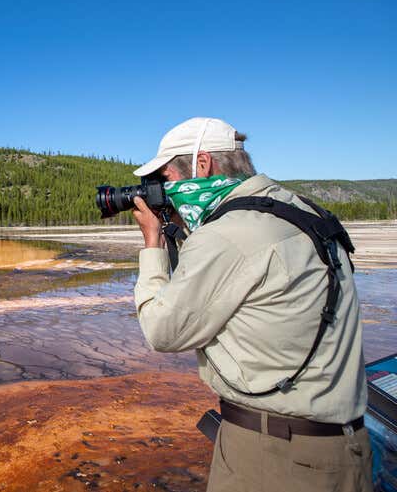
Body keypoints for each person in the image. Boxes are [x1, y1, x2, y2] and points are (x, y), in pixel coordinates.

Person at [129, 117, 371, 491]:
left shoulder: (227, 235)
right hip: (343, 447)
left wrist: (153, 244)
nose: (165, 190)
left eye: (166, 178)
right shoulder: (303, 211)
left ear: (202, 165)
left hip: (276, 455)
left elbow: (162, 331)